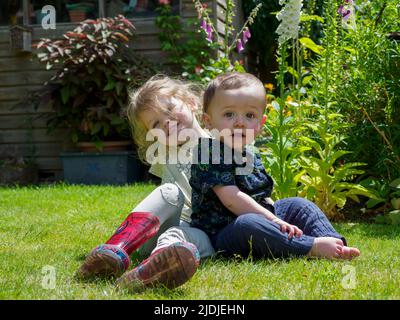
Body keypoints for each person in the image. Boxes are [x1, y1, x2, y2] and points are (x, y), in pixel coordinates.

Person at [189, 72, 361, 261]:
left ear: (260, 124)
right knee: (248, 223)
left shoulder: (250, 153)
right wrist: (274, 220)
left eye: (249, 115)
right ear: (208, 121)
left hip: (261, 217)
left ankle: (334, 243)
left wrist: (276, 213)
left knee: (298, 206)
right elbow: (232, 199)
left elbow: (260, 193)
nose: (239, 123)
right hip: (225, 233)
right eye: (229, 114)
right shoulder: (209, 152)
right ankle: (309, 247)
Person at [76, 75, 214, 292]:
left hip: (201, 235)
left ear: (191, 102)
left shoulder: (222, 147)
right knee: (169, 191)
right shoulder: (164, 149)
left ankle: (155, 267)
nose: (167, 123)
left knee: (177, 241)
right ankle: (114, 250)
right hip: (159, 231)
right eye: (156, 123)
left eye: (169, 109)